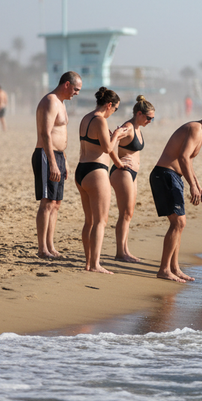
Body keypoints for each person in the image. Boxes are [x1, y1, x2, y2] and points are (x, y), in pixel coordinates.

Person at [150, 105, 202, 282]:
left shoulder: (199, 132)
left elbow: (188, 161)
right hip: (165, 175)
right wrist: (192, 185)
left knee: (179, 223)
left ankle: (174, 268)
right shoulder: (195, 128)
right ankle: (164, 269)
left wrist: (197, 183)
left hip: (173, 176)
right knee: (178, 222)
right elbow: (183, 157)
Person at [76, 88, 132, 274]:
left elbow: (98, 146)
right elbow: (107, 147)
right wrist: (117, 135)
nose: (113, 112)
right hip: (96, 172)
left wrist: (118, 163)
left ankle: (88, 263)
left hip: (82, 170)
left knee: (89, 221)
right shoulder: (100, 120)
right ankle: (95, 264)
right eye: (114, 109)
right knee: (100, 221)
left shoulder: (86, 118)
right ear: (109, 105)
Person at [33, 71, 81, 258]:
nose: (76, 93)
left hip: (59, 156)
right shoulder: (50, 101)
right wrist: (52, 162)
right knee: (46, 203)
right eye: (76, 89)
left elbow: (60, 134)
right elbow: (45, 134)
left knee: (56, 203)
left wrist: (64, 161)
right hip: (46, 155)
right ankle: (42, 248)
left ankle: (50, 246)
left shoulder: (61, 103)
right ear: (66, 84)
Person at [109, 95, 155, 262]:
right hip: (122, 172)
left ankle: (125, 250)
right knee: (125, 213)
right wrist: (117, 162)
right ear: (139, 114)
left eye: (152, 119)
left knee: (129, 214)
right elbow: (109, 145)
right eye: (149, 118)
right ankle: (120, 253)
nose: (150, 121)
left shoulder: (137, 128)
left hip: (131, 173)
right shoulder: (127, 128)